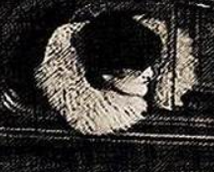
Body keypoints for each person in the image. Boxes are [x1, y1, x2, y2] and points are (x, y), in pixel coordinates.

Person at [36, 11, 164, 135]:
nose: (150, 74)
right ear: (107, 74)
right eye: (138, 71)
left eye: (149, 66)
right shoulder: (92, 115)